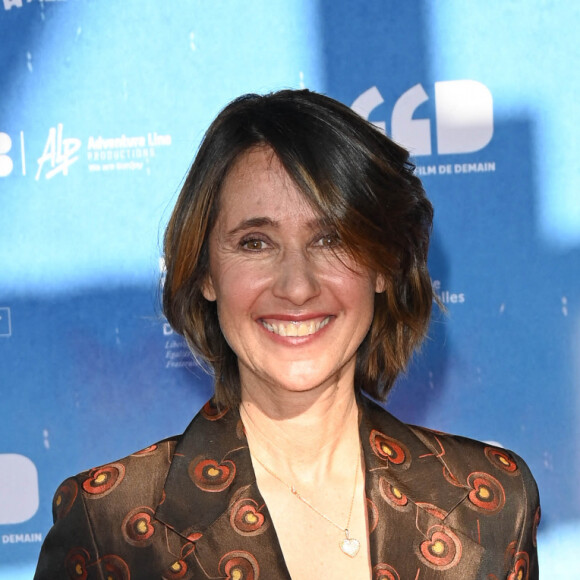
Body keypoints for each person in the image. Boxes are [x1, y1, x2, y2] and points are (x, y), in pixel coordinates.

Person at [34, 89, 540, 579]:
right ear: (207, 273)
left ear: (383, 266)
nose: (297, 287)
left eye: (330, 239)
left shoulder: (490, 502)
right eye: (255, 243)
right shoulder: (108, 526)